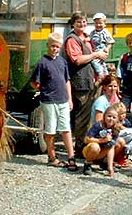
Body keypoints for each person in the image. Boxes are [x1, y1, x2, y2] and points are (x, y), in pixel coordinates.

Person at [31, 32, 78, 171]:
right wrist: (44, 90)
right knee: (50, 129)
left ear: (60, 47)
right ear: (47, 46)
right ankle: (51, 156)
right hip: (49, 101)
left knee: (66, 128)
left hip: (63, 100)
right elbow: (34, 82)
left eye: (57, 47)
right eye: (52, 46)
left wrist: (69, 99)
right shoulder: (42, 62)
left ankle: (71, 157)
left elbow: (67, 81)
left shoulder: (62, 61)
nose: (55, 49)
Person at [65, 11, 108, 156]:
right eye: (79, 22)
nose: (82, 25)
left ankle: (86, 144)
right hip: (81, 83)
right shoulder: (72, 39)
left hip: (90, 81)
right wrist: (96, 55)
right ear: (73, 24)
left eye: (84, 22)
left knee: (89, 114)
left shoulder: (86, 38)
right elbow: (77, 60)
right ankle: (79, 147)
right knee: (82, 116)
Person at [82, 105, 125, 176]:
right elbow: (87, 139)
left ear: (117, 119)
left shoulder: (115, 129)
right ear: (104, 116)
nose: (111, 119)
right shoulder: (98, 125)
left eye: (114, 117)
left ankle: (104, 162)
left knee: (118, 142)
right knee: (95, 146)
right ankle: (87, 164)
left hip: (102, 151)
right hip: (89, 150)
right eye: (109, 116)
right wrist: (102, 140)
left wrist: (110, 167)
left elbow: (111, 148)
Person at [89, 12, 115, 78]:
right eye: (96, 23)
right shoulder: (93, 32)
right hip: (95, 50)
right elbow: (90, 39)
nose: (98, 25)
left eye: (100, 23)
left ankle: (101, 75)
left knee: (95, 62)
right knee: (102, 64)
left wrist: (107, 49)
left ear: (104, 24)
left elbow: (110, 41)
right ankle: (106, 76)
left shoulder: (105, 32)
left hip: (102, 50)